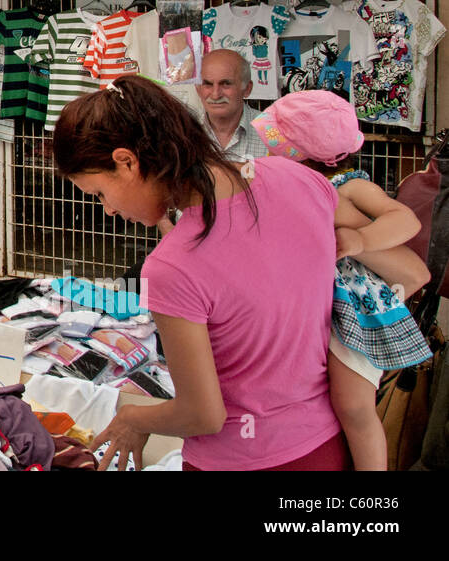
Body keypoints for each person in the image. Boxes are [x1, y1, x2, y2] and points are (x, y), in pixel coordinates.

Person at [53, 75, 346, 471]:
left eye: (100, 194)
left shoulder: (173, 266)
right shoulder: (301, 179)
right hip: (327, 446)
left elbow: (203, 414)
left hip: (241, 461)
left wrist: (134, 418)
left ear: (126, 162)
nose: (108, 210)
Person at [252, 90, 431, 471]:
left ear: (298, 152)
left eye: (274, 146)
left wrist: (362, 239)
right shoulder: (287, 188)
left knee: (353, 407)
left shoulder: (349, 187)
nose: (266, 155)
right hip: (317, 308)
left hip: (356, 310)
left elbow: (406, 221)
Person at [195, 48, 266, 162]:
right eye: (208, 84)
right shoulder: (182, 132)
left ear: (247, 88)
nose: (215, 95)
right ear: (198, 89)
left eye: (226, 84)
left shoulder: (272, 132)